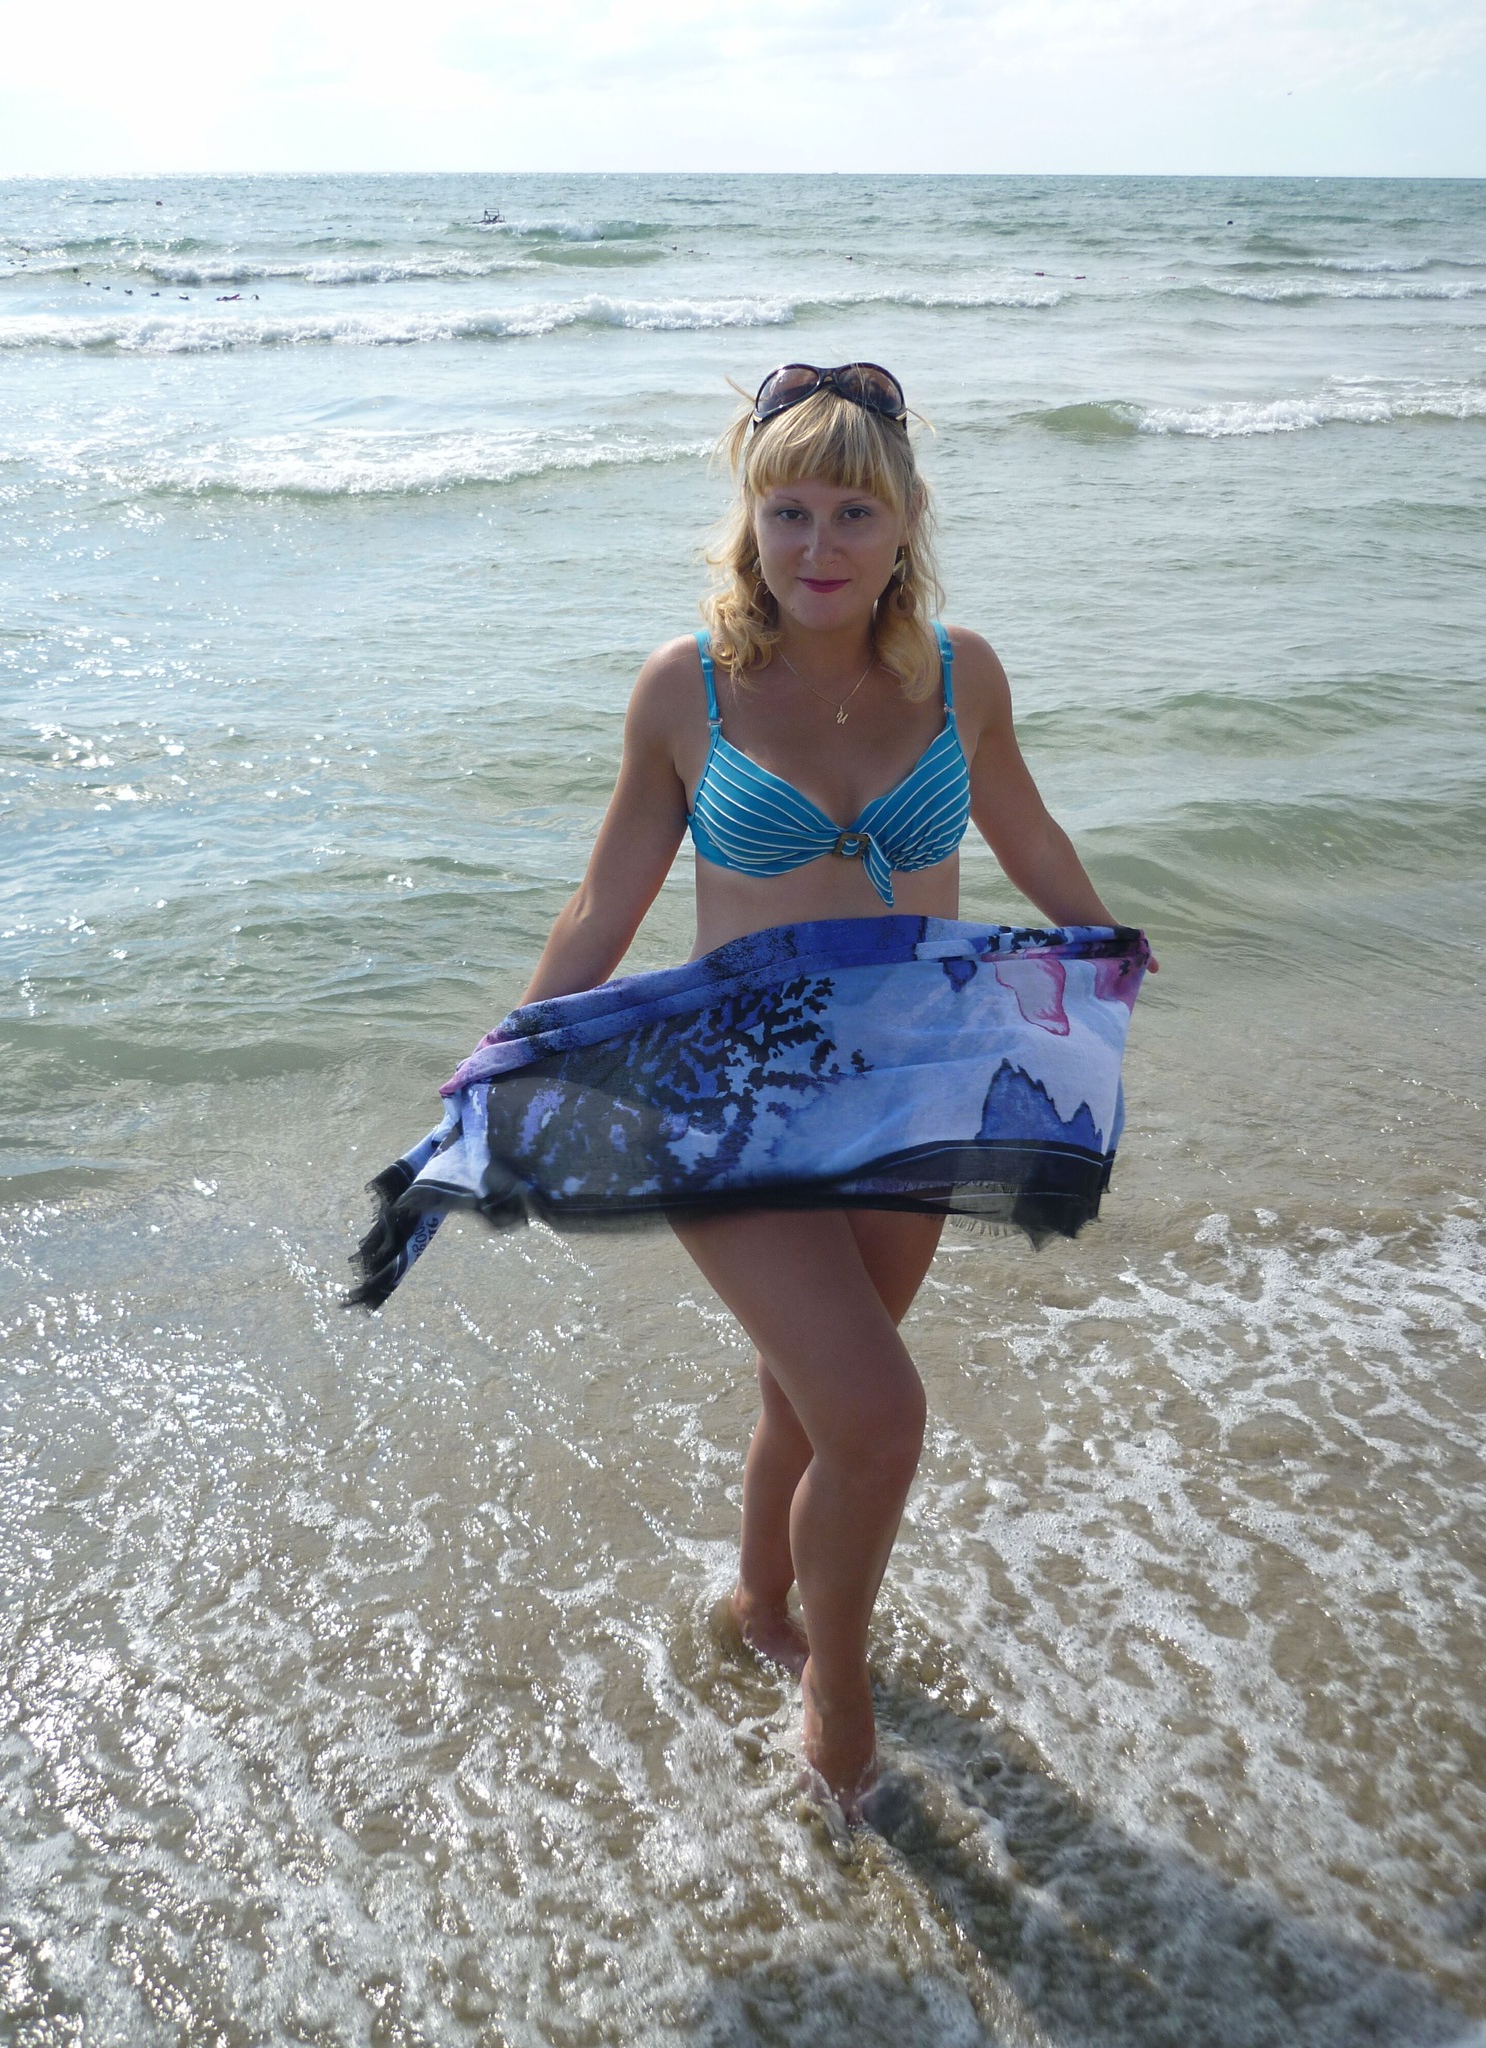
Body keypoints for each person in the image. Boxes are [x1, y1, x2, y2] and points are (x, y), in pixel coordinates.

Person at [492, 362, 1156, 1814]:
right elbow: (605, 903)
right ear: (751, 518)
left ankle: (758, 1602)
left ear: (907, 518)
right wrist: (517, 1045)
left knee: (813, 1401)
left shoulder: (961, 677)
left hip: (916, 1089)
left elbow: (1027, 832)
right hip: (737, 1100)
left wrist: (1103, 943)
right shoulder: (687, 690)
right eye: (788, 510)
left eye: (854, 511)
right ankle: (838, 1695)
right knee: (879, 1416)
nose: (819, 544)